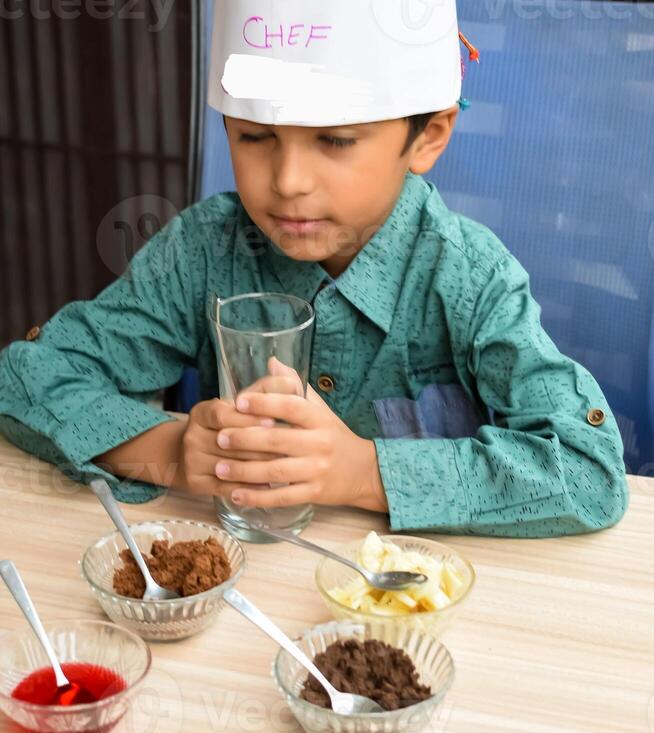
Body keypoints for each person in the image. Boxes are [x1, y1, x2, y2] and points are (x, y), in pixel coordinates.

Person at [0, 0, 628, 536]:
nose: (288, 182)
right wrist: (170, 451)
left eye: (335, 140)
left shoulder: (469, 277)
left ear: (429, 136)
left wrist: (360, 471)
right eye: (253, 136)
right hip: (247, 573)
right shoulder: (201, 250)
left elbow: (586, 471)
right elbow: (27, 376)